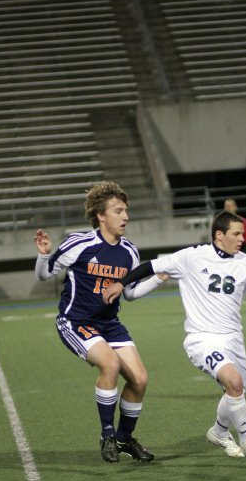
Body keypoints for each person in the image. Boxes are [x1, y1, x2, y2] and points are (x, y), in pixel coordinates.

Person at [103, 210, 246, 461]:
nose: (242, 239)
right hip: (202, 340)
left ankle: (218, 432)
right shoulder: (191, 257)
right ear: (219, 235)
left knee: (235, 392)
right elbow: (150, 266)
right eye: (236, 234)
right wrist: (121, 283)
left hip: (234, 340)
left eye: (242, 234)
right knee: (234, 382)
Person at [34, 180, 163, 463]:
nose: (125, 216)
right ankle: (108, 436)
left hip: (109, 323)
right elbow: (44, 275)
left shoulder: (129, 251)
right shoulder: (79, 243)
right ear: (101, 215)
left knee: (140, 379)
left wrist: (158, 279)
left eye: (126, 210)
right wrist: (44, 254)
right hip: (75, 321)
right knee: (110, 364)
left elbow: (128, 293)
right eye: (118, 211)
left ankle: (126, 438)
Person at [223, 197, 246, 311]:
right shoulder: (221, 223)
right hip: (226, 255)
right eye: (226, 207)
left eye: (230, 206)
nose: (228, 209)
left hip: (241, 253)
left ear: (235, 207)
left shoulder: (241, 221)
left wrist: (237, 241)